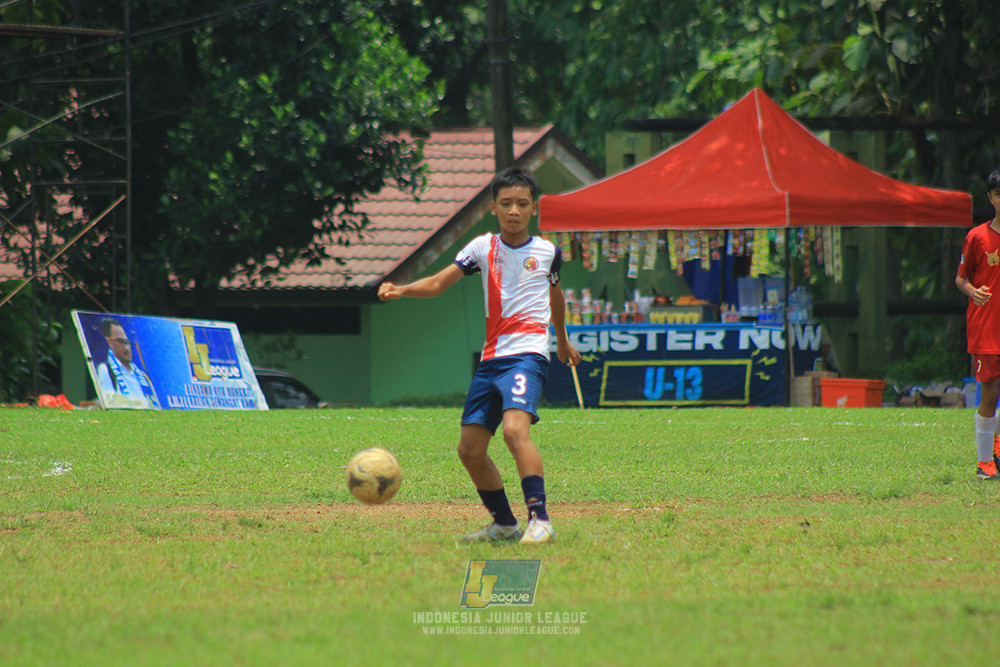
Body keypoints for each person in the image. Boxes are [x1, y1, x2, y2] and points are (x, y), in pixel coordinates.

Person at [378, 167, 581, 543]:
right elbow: (438, 283)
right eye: (506, 203)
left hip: (528, 354)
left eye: (522, 204)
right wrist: (402, 289)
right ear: (493, 207)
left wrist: (562, 341)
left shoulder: (548, 253)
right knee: (470, 450)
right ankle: (504, 524)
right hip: (491, 360)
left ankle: (541, 520)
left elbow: (556, 297)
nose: (514, 211)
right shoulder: (481, 248)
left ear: (533, 208)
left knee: (514, 431)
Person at [955, 167, 1000, 480]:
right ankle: (984, 463)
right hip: (987, 327)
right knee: (991, 393)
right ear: (990, 198)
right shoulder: (977, 237)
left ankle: (997, 447)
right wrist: (973, 291)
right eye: (999, 194)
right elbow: (961, 279)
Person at [96, 317, 160, 409]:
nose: (127, 348)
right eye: (121, 342)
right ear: (110, 343)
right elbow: (109, 404)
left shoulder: (141, 374)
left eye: (127, 343)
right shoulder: (106, 369)